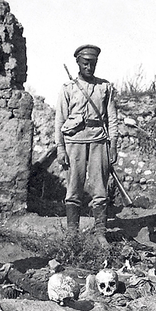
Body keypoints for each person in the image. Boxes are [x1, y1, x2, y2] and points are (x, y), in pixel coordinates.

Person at [54, 44, 118, 247]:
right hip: (74, 141)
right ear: (78, 63)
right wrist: (60, 148)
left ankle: (101, 234)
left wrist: (114, 144)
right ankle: (72, 234)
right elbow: (60, 120)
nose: (89, 67)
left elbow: (112, 119)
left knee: (100, 188)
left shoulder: (104, 88)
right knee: (74, 188)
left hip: (99, 140)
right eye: (85, 63)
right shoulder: (68, 88)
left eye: (93, 63)